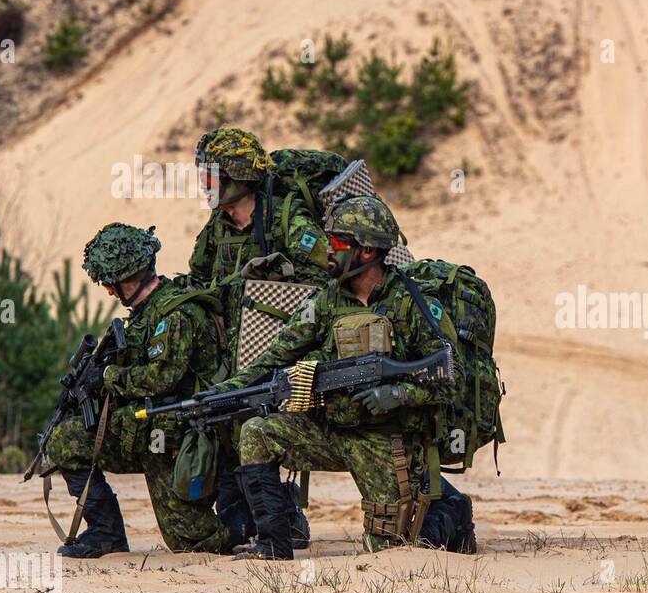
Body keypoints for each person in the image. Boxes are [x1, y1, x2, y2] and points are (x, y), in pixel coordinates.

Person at [207, 196, 476, 560]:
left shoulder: (411, 303)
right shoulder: (326, 300)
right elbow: (276, 356)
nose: (327, 252)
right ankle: (273, 543)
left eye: (336, 244)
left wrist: (397, 393)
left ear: (366, 251)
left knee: (392, 552)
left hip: (388, 442)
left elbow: (453, 375)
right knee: (257, 433)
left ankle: (451, 511)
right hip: (331, 431)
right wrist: (224, 392)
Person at [46, 224, 239, 558]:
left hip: (180, 434)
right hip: (154, 429)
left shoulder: (175, 313)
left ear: (127, 278)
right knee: (65, 439)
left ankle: (261, 519)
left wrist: (107, 375)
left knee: (195, 542)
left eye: (109, 283)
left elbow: (160, 378)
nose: (107, 291)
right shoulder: (148, 312)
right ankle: (105, 534)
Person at [190, 127, 329, 548]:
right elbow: (198, 280)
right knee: (225, 428)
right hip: (230, 350)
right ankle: (244, 522)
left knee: (259, 429)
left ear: (237, 176)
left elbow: (328, 276)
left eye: (211, 176)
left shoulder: (286, 217)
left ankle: (283, 522)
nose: (204, 185)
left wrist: (278, 277)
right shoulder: (217, 227)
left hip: (281, 350)